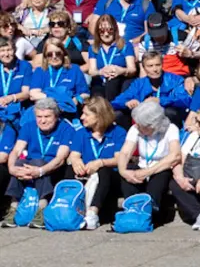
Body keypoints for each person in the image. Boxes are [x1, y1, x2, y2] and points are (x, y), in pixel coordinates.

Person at [1, 98, 73, 228]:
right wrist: (11, 167)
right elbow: (17, 150)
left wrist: (40, 171)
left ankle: (42, 208)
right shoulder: (29, 126)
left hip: (53, 169)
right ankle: (13, 208)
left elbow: (60, 158)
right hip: (30, 168)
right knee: (18, 163)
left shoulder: (66, 128)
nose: (43, 120)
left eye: (47, 116)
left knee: (37, 162)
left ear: (56, 116)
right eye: (39, 116)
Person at [68, 96, 126, 230]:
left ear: (99, 115)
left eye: (86, 114)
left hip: (111, 178)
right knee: (70, 169)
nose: (82, 117)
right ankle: (70, 209)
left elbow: (119, 159)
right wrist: (76, 161)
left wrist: (101, 162)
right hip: (87, 175)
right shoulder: (80, 133)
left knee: (103, 170)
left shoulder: (118, 132)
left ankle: (92, 213)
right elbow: (74, 155)